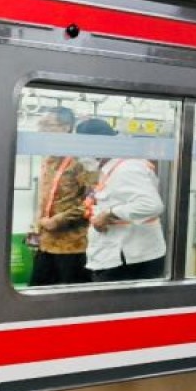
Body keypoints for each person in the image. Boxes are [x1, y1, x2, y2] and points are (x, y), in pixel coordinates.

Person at [74, 118, 165, 281]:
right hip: (118, 254)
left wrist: (109, 214)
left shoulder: (127, 168)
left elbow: (151, 205)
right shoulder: (112, 167)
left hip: (130, 259)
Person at [25, 106, 93, 285]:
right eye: (41, 124)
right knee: (37, 295)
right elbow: (46, 198)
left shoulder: (82, 159)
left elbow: (95, 199)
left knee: (69, 303)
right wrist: (35, 228)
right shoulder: (48, 158)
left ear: (66, 128)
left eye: (48, 125)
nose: (42, 130)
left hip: (72, 247)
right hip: (45, 245)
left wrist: (61, 219)